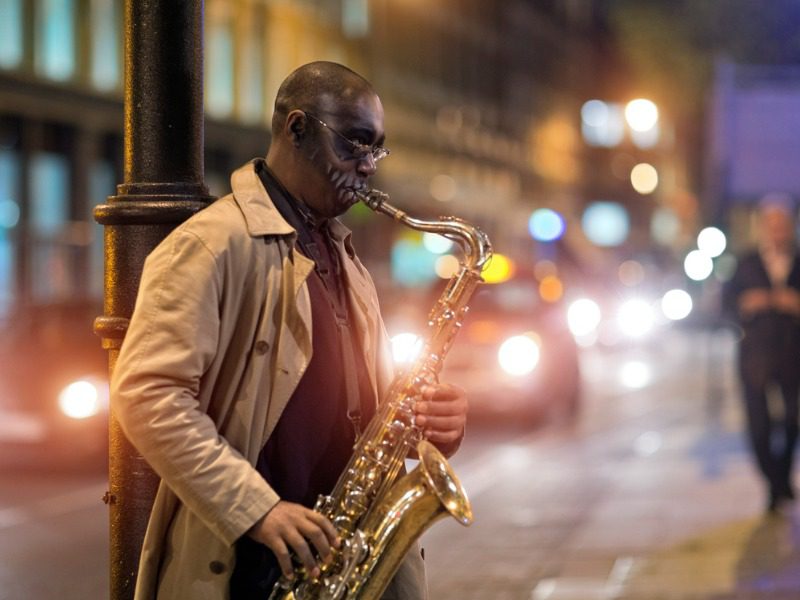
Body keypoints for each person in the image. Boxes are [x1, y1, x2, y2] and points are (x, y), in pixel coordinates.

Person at [111, 61, 468, 599]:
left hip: (340, 561)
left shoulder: (343, 254)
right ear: (296, 129)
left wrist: (426, 426)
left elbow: (358, 410)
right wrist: (258, 510)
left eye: (376, 150)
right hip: (252, 569)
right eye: (354, 143)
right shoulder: (210, 245)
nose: (368, 166)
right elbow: (146, 393)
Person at [723, 196, 800, 513]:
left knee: (794, 420)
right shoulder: (746, 263)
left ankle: (781, 478)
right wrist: (746, 305)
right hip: (755, 355)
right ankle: (774, 481)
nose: (777, 231)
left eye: (783, 224)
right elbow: (725, 305)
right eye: (772, 225)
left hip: (793, 355)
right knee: (759, 425)